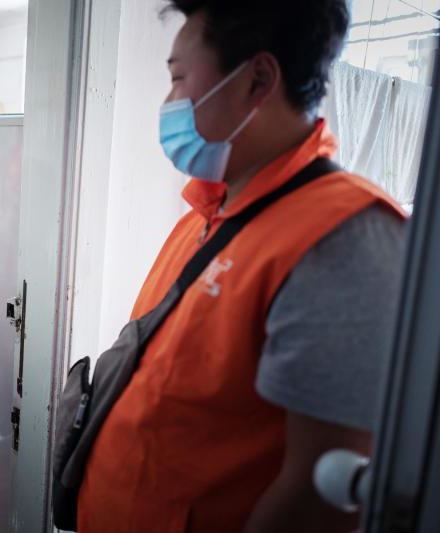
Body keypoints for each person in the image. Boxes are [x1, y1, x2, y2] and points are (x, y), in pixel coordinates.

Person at [77, 1, 407, 532]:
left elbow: (321, 495)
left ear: (258, 80)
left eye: (178, 79)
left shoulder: (343, 238)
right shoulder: (208, 212)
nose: (168, 102)